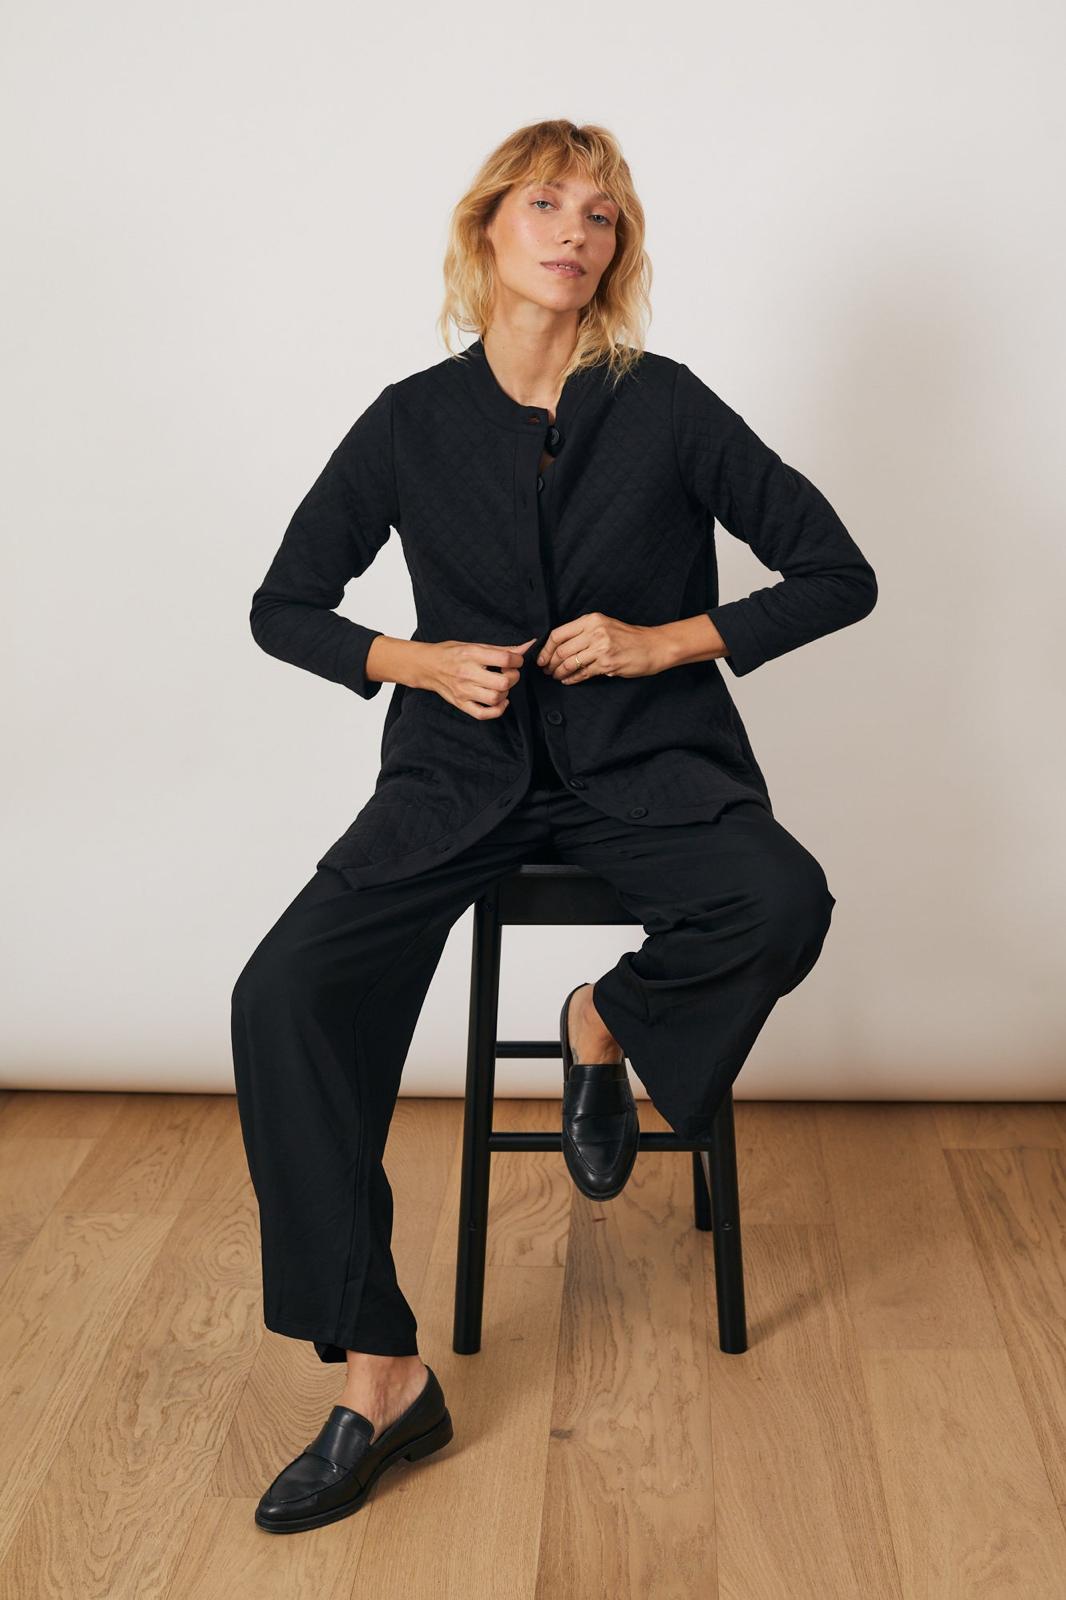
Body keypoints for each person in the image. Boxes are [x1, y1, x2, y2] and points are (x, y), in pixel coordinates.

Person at [232, 118, 877, 1533]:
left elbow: (838, 573)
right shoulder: (410, 420)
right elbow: (284, 606)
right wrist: (414, 661)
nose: (576, 233)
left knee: (781, 900)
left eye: (601, 215)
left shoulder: (667, 405)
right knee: (282, 996)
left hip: (649, 763)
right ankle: (381, 1378)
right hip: (454, 778)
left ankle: (603, 1022)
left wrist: (663, 642)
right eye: (546, 204)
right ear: (486, 230)